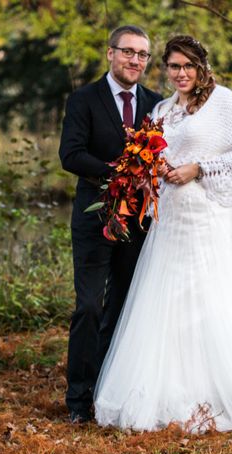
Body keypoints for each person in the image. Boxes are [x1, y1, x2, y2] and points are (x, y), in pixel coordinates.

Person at [93, 35, 232, 432]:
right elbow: (159, 157)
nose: (180, 73)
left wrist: (197, 167)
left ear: (201, 68)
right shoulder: (164, 109)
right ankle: (173, 391)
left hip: (209, 216)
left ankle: (229, 393)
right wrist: (160, 169)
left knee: (211, 295)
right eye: (173, 66)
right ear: (166, 69)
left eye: (188, 66)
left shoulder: (224, 102)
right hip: (171, 222)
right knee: (168, 299)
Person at [59, 25, 163, 423]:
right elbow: (70, 155)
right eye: (128, 52)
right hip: (94, 219)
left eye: (142, 55)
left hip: (139, 223)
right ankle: (78, 400)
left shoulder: (157, 105)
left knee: (123, 307)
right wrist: (116, 174)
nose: (135, 60)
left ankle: (108, 390)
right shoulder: (83, 99)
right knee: (88, 306)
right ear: (110, 54)